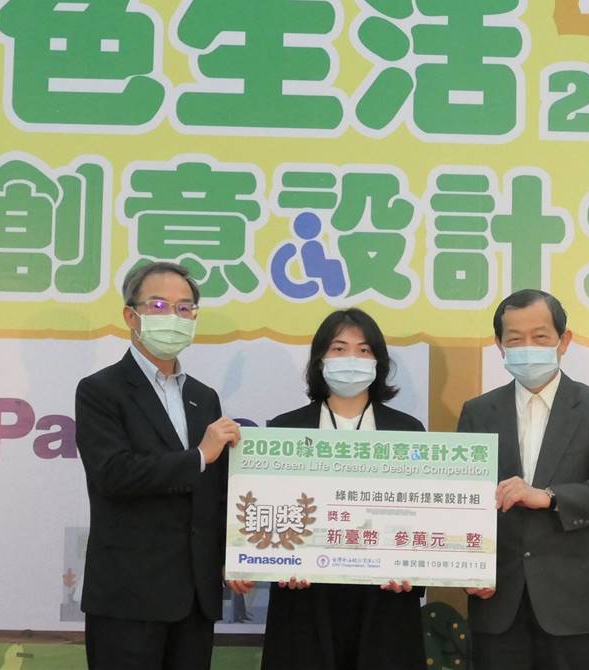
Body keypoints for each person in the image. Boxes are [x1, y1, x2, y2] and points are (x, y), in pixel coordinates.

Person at [74, 261, 250, 669]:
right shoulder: (100, 391)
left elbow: (214, 492)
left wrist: (237, 555)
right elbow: (113, 474)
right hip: (129, 596)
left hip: (195, 596)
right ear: (129, 315)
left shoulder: (203, 397)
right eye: (157, 305)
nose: (173, 317)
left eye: (184, 308)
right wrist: (198, 456)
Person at [457, 289, 589, 670]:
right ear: (499, 345)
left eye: (540, 337)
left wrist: (549, 497)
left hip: (577, 611)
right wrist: (468, 567)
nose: (527, 348)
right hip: (498, 607)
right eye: (514, 339)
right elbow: (463, 501)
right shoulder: (478, 412)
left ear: (563, 340)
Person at [261, 308, 426, 670]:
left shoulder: (409, 431)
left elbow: (422, 516)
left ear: (379, 363)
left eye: (364, 350)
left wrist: (413, 572)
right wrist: (279, 563)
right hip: (306, 597)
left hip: (384, 598)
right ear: (320, 359)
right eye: (339, 349)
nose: (352, 359)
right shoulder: (285, 430)